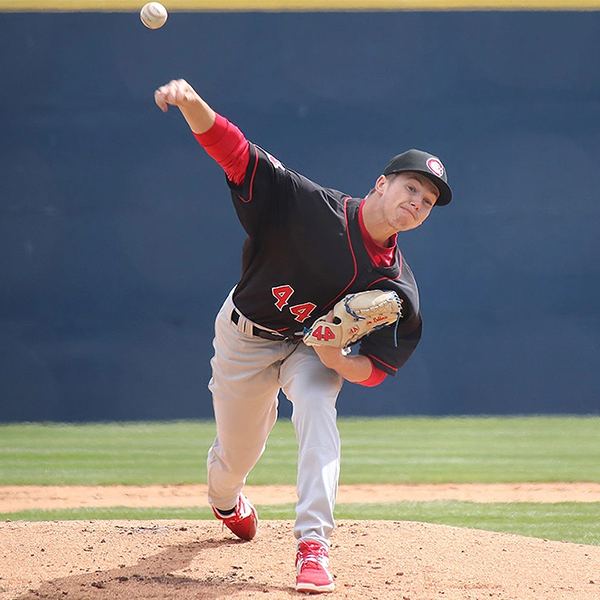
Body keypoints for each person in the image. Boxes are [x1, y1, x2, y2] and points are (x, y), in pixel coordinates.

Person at [154, 78, 452, 594]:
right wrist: (191, 103)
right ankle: (226, 498)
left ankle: (313, 546)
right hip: (246, 336)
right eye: (411, 188)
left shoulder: (398, 287)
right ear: (382, 184)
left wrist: (337, 357)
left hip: (311, 351)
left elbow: (377, 370)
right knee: (237, 455)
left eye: (426, 202)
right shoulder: (309, 205)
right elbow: (237, 155)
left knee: (317, 408)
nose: (417, 203)